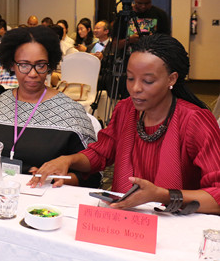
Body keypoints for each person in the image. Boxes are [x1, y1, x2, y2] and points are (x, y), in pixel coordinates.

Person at [31, 34, 220, 214]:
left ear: (172, 79)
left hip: (175, 223)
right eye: (130, 78)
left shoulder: (195, 120)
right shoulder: (126, 109)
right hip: (126, 218)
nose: (135, 88)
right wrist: (68, 160)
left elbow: (217, 194)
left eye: (148, 81)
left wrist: (162, 195)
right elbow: (101, 153)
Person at [0, 26, 99, 187]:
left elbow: (94, 175)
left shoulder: (71, 113)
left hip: (47, 198)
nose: (33, 73)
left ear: (50, 65)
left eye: (41, 65)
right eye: (24, 65)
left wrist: (55, 179)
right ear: (12, 65)